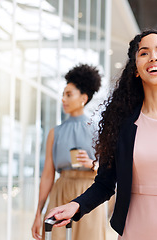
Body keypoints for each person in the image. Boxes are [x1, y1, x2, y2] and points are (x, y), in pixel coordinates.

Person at [44, 29, 157, 240]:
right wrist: (76, 206)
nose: (153, 57)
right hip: (135, 232)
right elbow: (105, 184)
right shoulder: (122, 123)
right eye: (144, 53)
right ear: (136, 70)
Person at [31, 64, 105, 240]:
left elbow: (111, 170)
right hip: (61, 191)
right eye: (63, 94)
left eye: (69, 94)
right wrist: (38, 213)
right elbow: (48, 175)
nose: (63, 99)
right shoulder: (55, 133)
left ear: (84, 98)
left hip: (89, 193)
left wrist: (92, 164)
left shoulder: (98, 130)